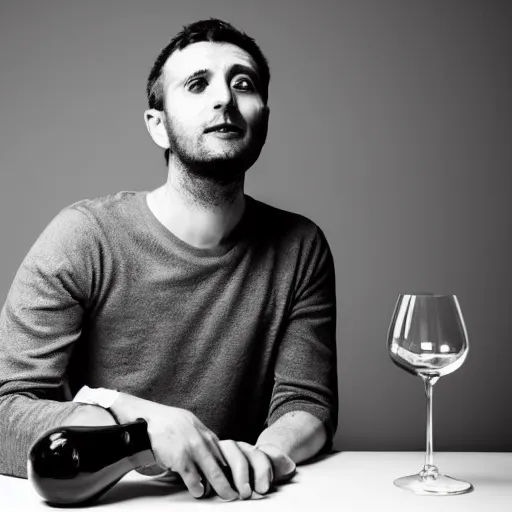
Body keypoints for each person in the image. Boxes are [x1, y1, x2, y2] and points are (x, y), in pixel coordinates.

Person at [0, 19, 338, 501]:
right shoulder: (83, 236)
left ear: (264, 115)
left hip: (241, 501)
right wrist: (136, 431)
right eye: (198, 84)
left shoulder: (300, 246)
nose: (224, 98)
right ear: (157, 125)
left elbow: (308, 403)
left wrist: (265, 456)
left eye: (243, 83)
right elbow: (5, 408)